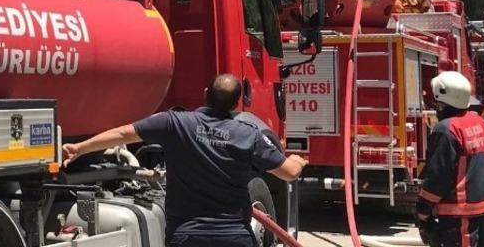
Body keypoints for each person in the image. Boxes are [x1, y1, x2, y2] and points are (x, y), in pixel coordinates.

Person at [63, 74, 308, 247]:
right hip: (234, 236)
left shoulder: (175, 123)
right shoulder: (248, 134)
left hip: (186, 235)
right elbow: (288, 172)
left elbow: (122, 133)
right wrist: (298, 160)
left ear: (205, 95)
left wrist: (81, 148)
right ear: (236, 104)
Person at [416, 71, 484, 247]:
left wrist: (423, 209)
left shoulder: (446, 129)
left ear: (442, 102)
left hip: (459, 216)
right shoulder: (480, 123)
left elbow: (439, 175)